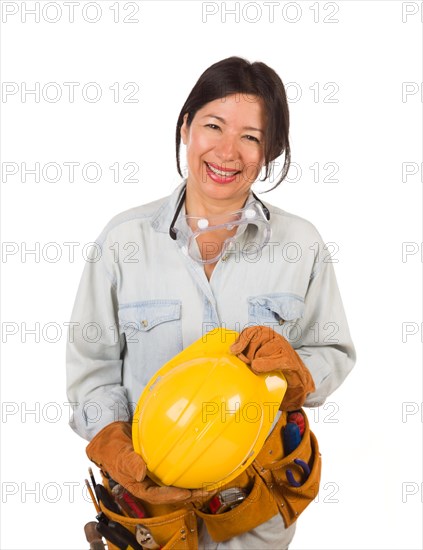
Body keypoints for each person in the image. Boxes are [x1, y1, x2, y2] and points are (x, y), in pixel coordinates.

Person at [66, 56, 356, 549]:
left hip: (252, 515)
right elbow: (91, 369)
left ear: (269, 150)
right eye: (213, 126)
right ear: (186, 128)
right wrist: (112, 440)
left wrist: (298, 374)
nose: (227, 151)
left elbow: (333, 351)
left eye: (251, 136)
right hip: (148, 517)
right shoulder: (123, 241)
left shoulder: (300, 244)